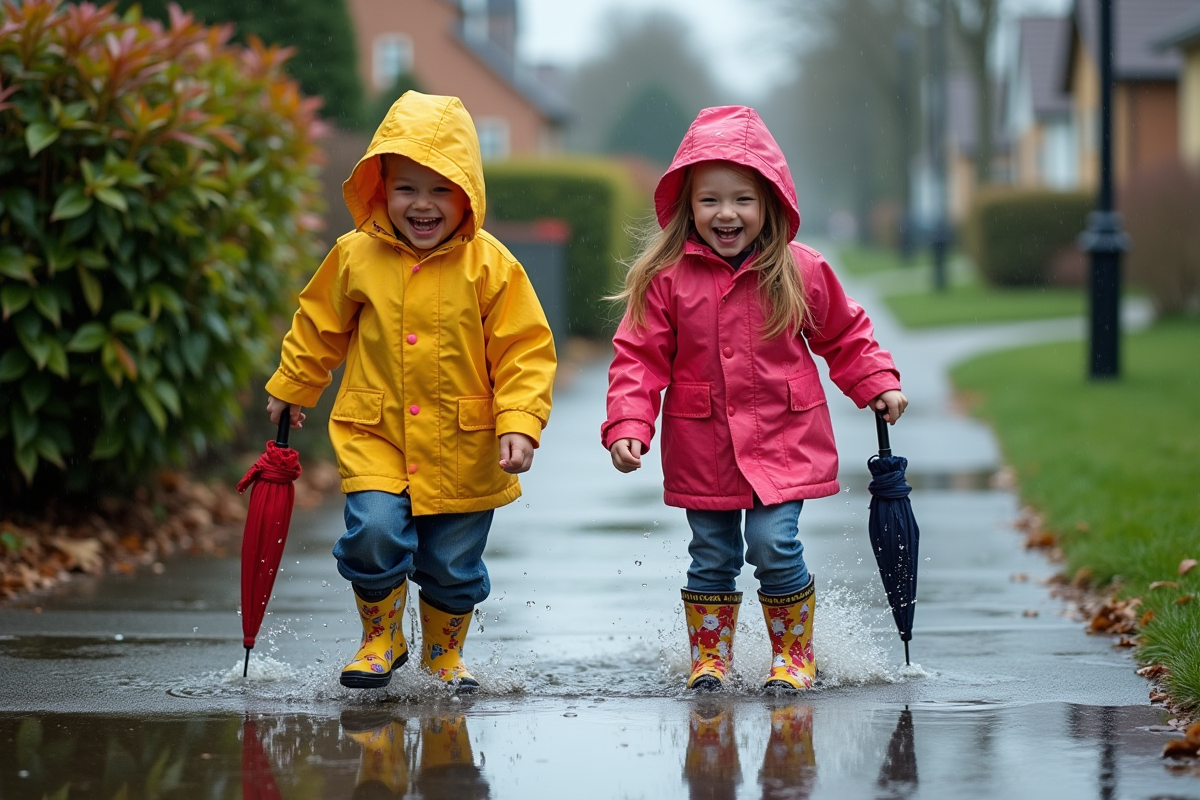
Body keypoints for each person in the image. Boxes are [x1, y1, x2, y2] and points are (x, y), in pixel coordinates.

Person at [602, 106, 906, 693]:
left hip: (782, 441)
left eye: (741, 198)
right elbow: (638, 357)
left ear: (769, 200)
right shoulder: (667, 278)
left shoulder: (799, 271)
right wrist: (628, 422)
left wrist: (877, 381)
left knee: (773, 542)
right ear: (687, 206)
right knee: (712, 553)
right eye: (710, 199)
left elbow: (844, 334)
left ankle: (794, 656)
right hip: (703, 444)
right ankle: (710, 659)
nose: (726, 213)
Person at [265, 91, 556, 692]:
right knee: (372, 532)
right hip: (376, 431)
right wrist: (295, 385)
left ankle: (444, 655)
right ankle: (381, 638)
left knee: (452, 564)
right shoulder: (355, 257)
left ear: (468, 194)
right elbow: (319, 324)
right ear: (380, 189)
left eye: (441, 190)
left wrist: (519, 421)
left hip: (465, 442)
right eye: (406, 189)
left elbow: (524, 348)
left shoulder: (491, 266)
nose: (422, 205)